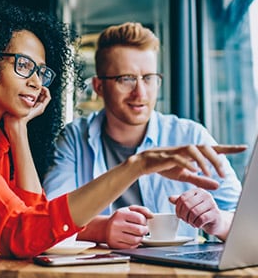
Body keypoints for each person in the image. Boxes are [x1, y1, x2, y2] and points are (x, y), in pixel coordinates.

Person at [0, 0, 245, 277]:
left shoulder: (1, 146)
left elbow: (32, 222)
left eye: (41, 72)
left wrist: (18, 130)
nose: (35, 81)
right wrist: (135, 167)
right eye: (24, 65)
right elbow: (26, 231)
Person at [43, 22, 244, 249]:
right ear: (99, 87)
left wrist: (218, 221)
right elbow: (48, 218)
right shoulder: (74, 138)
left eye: (148, 78)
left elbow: (247, 221)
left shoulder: (190, 135)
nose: (140, 92)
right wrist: (102, 228)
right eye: (126, 79)